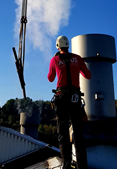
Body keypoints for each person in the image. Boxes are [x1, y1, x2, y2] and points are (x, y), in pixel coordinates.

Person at [47, 35, 91, 169]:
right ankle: (82, 166)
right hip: (75, 98)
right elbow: (88, 75)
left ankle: (66, 165)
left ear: (58, 47)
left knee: (63, 132)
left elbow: (50, 78)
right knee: (78, 133)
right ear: (68, 46)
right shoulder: (77, 58)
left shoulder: (54, 59)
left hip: (61, 98)